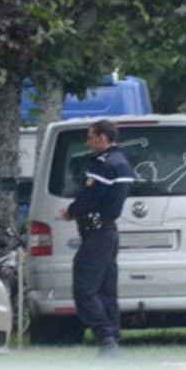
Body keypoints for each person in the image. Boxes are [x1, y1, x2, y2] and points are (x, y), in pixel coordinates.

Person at [59, 120, 132, 357]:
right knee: (106, 289)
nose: (87, 142)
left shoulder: (105, 164)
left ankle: (105, 337)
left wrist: (72, 211)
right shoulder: (122, 162)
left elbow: (90, 196)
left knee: (85, 288)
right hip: (108, 231)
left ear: (102, 138)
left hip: (97, 232)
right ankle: (112, 339)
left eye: (90, 137)